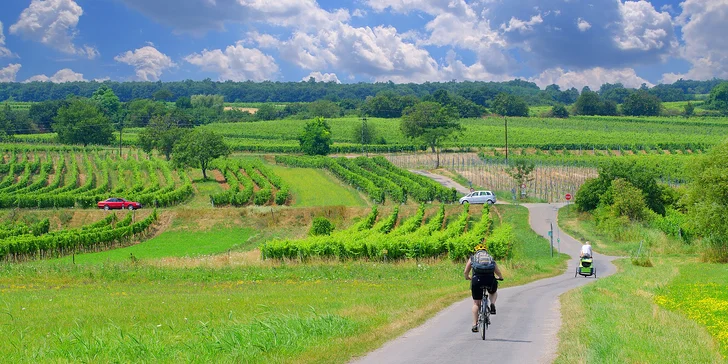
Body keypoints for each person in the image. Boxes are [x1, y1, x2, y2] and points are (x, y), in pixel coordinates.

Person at [464, 243, 504, 333]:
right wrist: (500, 277)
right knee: (493, 292)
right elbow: (497, 271)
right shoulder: (490, 257)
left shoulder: (473, 258)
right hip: (490, 280)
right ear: (485, 251)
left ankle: (474, 325)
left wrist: (467, 277)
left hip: (476, 280)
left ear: (476, 251)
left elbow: (466, 271)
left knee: (476, 303)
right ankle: (492, 304)